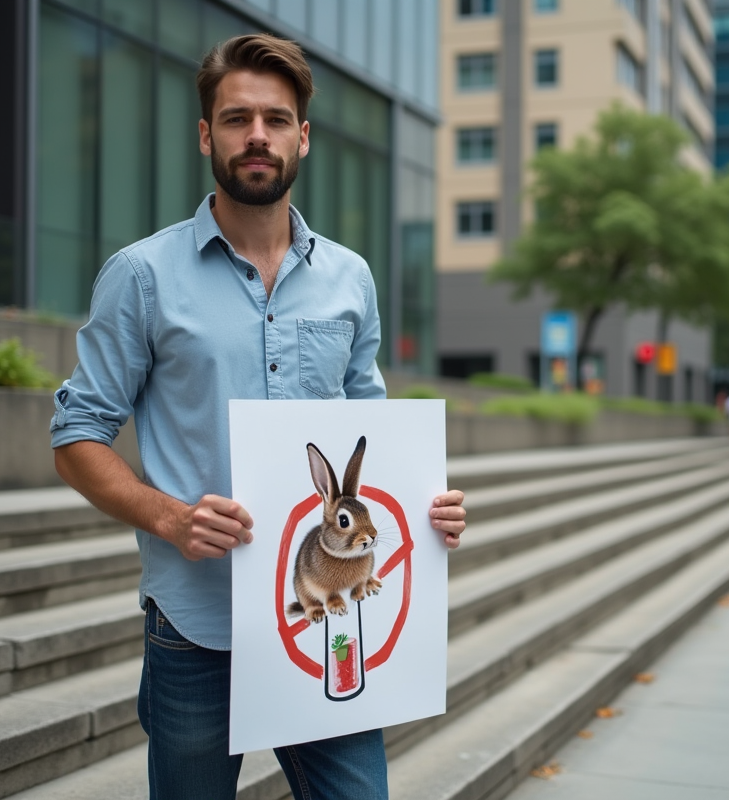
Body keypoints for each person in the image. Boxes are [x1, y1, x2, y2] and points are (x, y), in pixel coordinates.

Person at [49, 35, 467, 800]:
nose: (257, 136)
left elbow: (369, 433)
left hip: (324, 616)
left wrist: (424, 506)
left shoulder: (350, 278)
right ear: (205, 135)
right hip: (197, 626)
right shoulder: (142, 276)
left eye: (276, 120)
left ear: (302, 137)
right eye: (236, 118)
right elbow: (76, 438)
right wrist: (171, 518)